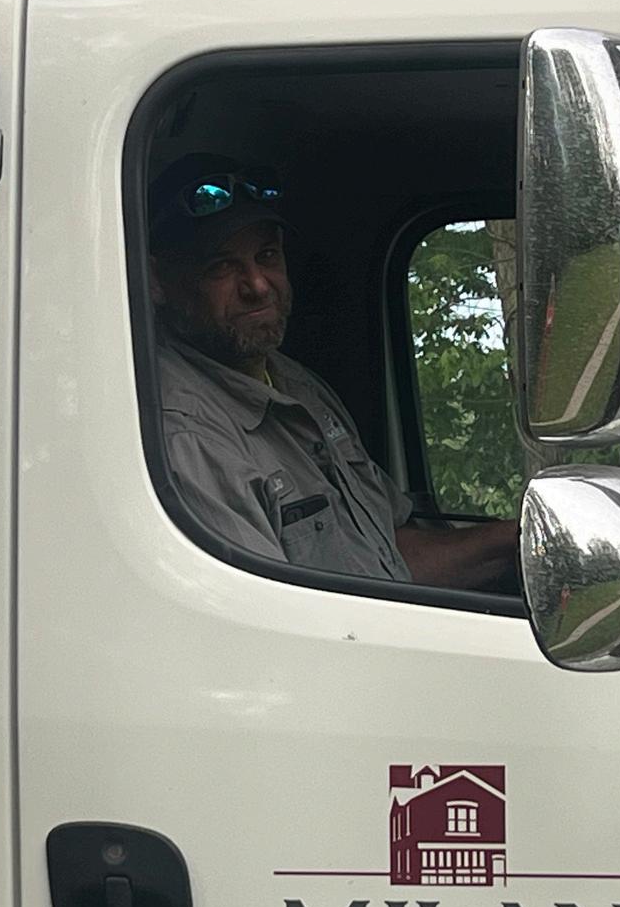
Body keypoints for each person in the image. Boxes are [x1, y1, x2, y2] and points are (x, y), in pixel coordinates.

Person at [148, 154, 517, 590]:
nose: (258, 285)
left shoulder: (296, 385)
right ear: (157, 282)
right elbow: (269, 620)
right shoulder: (187, 438)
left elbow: (388, 559)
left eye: (267, 255)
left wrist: (513, 543)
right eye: (222, 267)